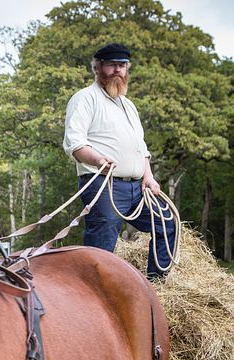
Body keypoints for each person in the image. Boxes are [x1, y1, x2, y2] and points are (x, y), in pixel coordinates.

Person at [63, 42, 176, 280]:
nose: (118, 71)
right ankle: (94, 296)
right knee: (103, 245)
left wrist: (149, 177)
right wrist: (97, 159)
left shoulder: (129, 105)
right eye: (111, 65)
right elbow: (75, 143)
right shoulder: (84, 98)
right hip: (103, 184)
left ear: (127, 69)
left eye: (122, 66)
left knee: (166, 223)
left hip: (137, 188)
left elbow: (141, 147)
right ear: (98, 67)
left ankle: (156, 286)